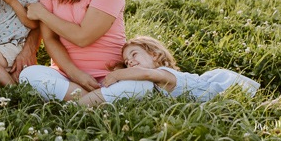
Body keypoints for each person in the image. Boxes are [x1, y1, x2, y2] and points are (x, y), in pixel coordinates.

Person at [78, 35, 261, 106]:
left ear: (155, 55)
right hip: (212, 102)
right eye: (126, 62)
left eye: (134, 55)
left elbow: (148, 74)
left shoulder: (164, 74)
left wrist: (117, 74)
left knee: (254, 108)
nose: (130, 63)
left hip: (218, 91)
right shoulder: (154, 86)